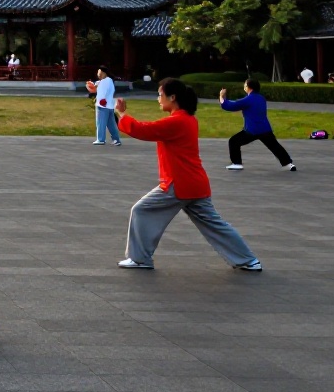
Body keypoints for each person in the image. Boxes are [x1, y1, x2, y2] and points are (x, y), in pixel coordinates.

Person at [113, 79, 261, 271]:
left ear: (172, 97)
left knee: (141, 210)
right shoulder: (188, 119)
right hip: (195, 184)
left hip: (179, 184)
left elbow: (143, 130)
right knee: (215, 225)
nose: (159, 99)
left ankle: (140, 258)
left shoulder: (177, 121)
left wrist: (122, 114)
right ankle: (248, 260)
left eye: (160, 94)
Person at [219, 80, 295, 172]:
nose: (244, 86)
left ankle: (237, 163)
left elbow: (230, 106)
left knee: (234, 141)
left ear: (249, 87)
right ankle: (288, 164)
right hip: (265, 128)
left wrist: (222, 97)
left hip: (252, 130)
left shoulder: (248, 100)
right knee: (275, 146)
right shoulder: (261, 98)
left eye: (245, 85)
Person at [88, 67, 121, 146]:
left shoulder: (104, 82)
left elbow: (103, 92)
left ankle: (101, 139)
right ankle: (116, 139)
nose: (98, 74)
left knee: (100, 123)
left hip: (102, 105)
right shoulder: (108, 81)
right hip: (109, 105)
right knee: (111, 124)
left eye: (99, 72)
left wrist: (101, 100)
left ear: (104, 73)